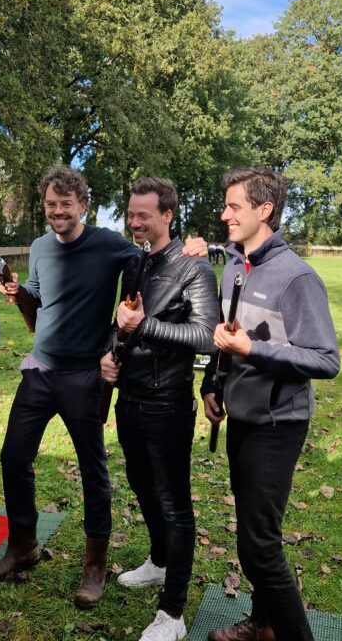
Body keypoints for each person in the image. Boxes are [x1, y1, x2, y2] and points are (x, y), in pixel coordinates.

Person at [0, 165, 139, 608]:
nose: (57, 212)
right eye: (51, 205)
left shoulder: (109, 245)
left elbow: (148, 264)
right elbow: (35, 290)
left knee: (94, 471)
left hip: (85, 376)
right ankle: (23, 546)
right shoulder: (39, 248)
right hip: (40, 370)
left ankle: (94, 566)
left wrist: (117, 337)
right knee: (13, 457)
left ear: (83, 206)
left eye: (66, 205)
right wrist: (18, 293)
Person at [202, 168, 340, 641]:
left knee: (259, 547)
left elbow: (325, 359)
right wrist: (213, 386)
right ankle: (263, 625)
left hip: (278, 425)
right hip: (241, 416)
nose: (224, 214)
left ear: (265, 211)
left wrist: (253, 352)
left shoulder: (297, 277)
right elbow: (227, 337)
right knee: (252, 534)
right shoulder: (236, 266)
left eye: (234, 206)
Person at [100, 177, 218, 641]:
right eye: (131, 214)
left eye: (143, 215)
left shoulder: (194, 269)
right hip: (129, 399)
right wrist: (112, 352)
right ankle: (159, 560)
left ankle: (172, 613)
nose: (135, 222)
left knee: (174, 505)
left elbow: (206, 337)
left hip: (168, 403)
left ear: (167, 215)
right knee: (140, 484)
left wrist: (144, 326)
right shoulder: (135, 262)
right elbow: (123, 321)